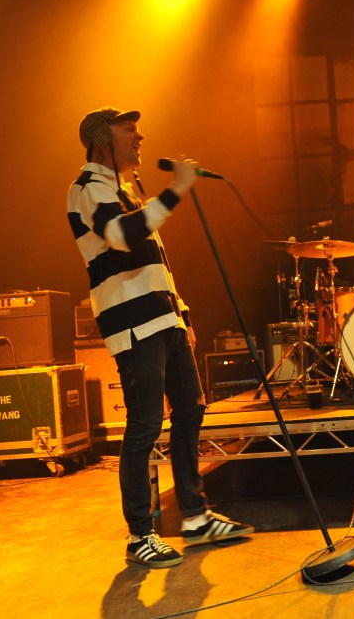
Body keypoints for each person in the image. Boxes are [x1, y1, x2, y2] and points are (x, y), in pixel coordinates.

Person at [67, 107, 253, 568]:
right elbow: (123, 236)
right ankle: (138, 535)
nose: (140, 136)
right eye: (129, 130)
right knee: (146, 424)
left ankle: (194, 515)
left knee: (190, 409)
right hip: (132, 324)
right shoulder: (87, 188)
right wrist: (177, 191)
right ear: (101, 139)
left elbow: (156, 264)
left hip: (163, 319)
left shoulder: (129, 189)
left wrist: (182, 315)